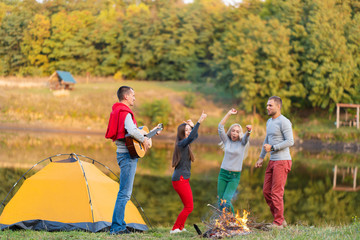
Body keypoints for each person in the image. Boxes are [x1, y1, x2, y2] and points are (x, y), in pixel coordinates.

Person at [105, 86, 151, 235]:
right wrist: (144, 139)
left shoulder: (117, 110)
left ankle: (121, 224)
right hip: (127, 155)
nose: (134, 98)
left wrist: (144, 134)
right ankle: (117, 227)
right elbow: (131, 131)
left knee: (124, 191)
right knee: (124, 192)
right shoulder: (125, 112)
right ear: (126, 96)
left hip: (123, 154)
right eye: (133, 95)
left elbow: (128, 132)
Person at [255, 96, 294, 229]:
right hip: (272, 161)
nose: (267, 107)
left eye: (270, 105)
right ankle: (280, 219)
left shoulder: (284, 122)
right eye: (267, 105)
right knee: (267, 192)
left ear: (278, 106)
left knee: (277, 193)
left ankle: (278, 223)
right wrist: (261, 157)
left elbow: (290, 141)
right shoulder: (269, 122)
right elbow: (267, 139)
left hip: (282, 161)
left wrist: (273, 148)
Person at [170, 111, 207, 234]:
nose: (188, 132)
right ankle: (175, 228)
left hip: (181, 179)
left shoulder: (184, 144)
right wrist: (199, 121)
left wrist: (192, 126)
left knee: (188, 206)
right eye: (185, 130)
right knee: (189, 207)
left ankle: (180, 227)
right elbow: (192, 137)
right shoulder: (181, 144)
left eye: (188, 130)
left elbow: (193, 136)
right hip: (180, 180)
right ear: (181, 133)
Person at [217, 108, 252, 214]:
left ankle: (233, 220)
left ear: (239, 133)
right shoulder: (227, 141)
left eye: (237, 131)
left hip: (234, 177)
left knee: (226, 201)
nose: (235, 133)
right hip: (223, 174)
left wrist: (248, 131)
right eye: (233, 130)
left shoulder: (242, 143)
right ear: (230, 132)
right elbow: (220, 127)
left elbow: (246, 137)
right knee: (220, 201)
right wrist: (228, 113)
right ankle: (225, 221)